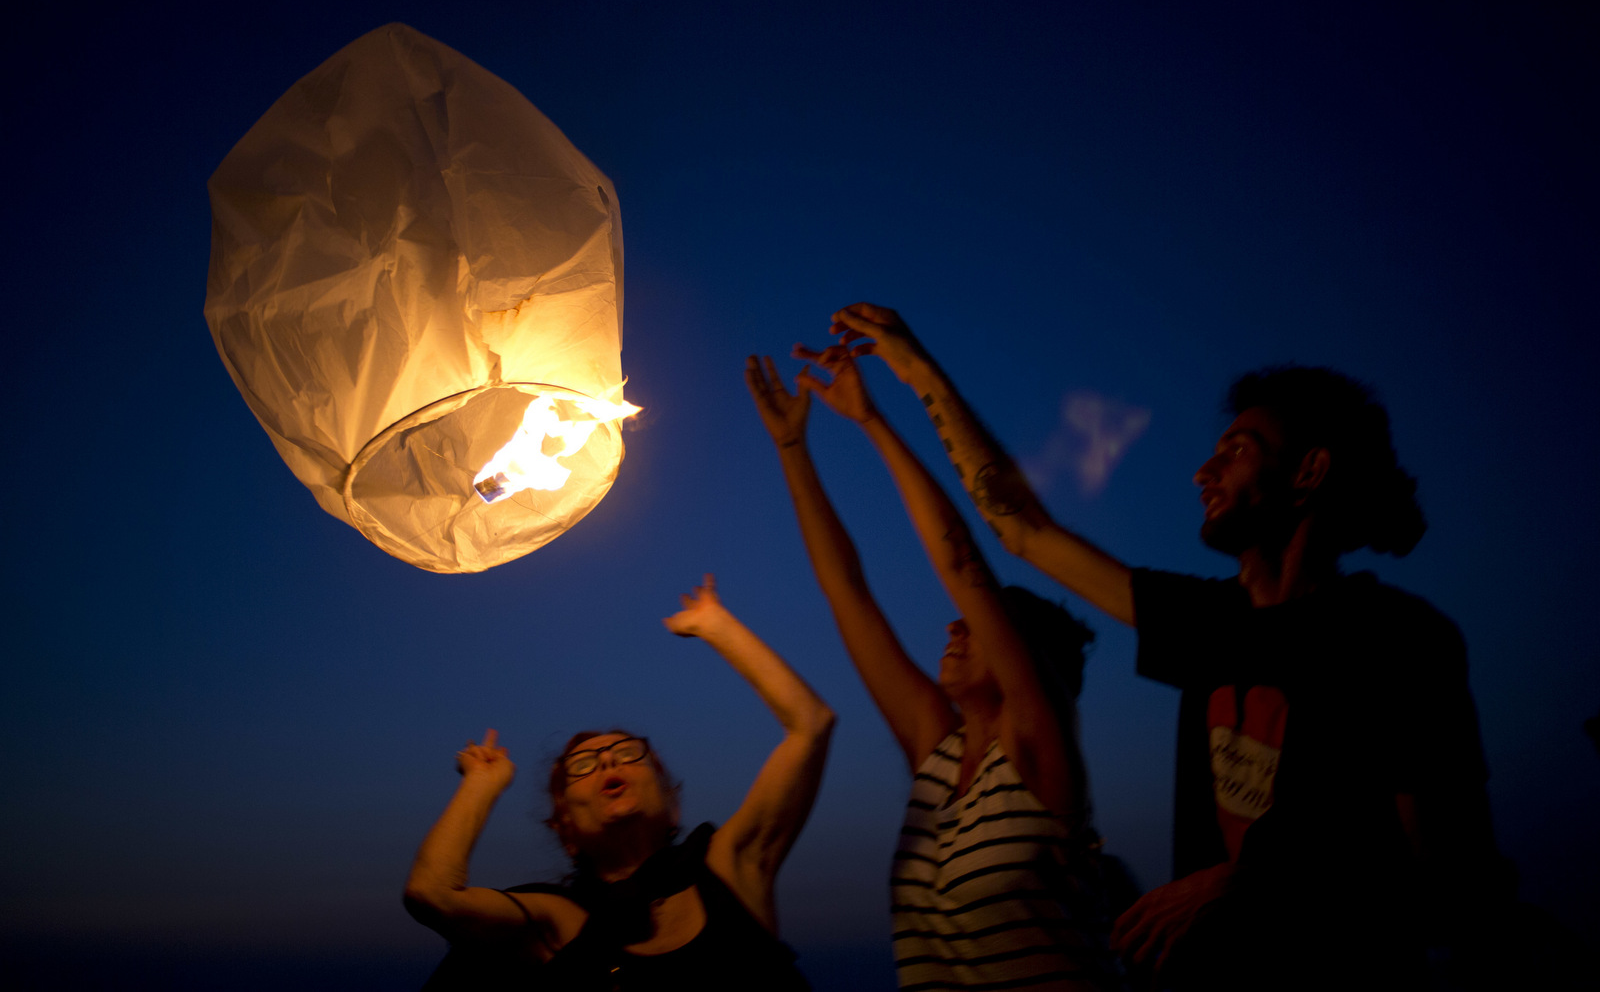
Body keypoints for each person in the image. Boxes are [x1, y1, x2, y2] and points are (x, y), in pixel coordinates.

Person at [819, 303, 1503, 990]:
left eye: (1238, 448)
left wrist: (1254, 877)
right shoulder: (1207, 623)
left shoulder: (1401, 638)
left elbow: (1444, 871)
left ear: (1310, 471)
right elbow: (1023, 530)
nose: (1205, 469)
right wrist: (919, 376)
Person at [746, 350, 1124, 991]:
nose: (953, 627)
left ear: (1021, 656)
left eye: (976, 625)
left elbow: (964, 567)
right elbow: (848, 592)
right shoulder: (939, 755)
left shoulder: (1037, 748)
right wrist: (791, 446)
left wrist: (872, 421)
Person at [403, 575, 834, 990]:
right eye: (583, 765)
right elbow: (432, 894)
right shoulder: (558, 920)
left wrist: (716, 625)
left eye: (629, 753)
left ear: (673, 803)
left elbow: (810, 724)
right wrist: (480, 781)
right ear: (565, 828)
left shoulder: (730, 867)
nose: (608, 758)